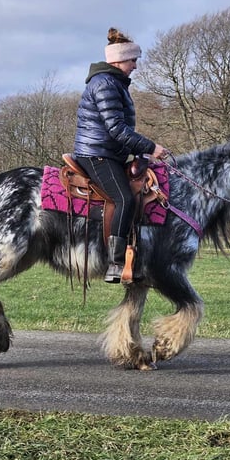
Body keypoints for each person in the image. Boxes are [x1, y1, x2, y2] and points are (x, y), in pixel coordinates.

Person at [73, 27, 166, 283]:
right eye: (132, 60)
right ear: (117, 60)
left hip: (108, 152)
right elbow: (116, 129)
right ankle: (114, 263)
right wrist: (149, 147)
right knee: (124, 199)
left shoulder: (114, 83)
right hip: (97, 154)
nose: (135, 66)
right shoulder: (105, 84)